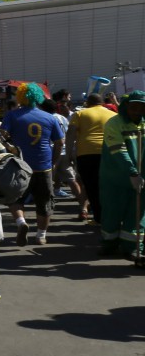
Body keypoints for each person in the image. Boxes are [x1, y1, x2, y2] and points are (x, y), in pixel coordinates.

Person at [0, 83, 64, 246]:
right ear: (39, 97)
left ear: (20, 97)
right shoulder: (50, 117)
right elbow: (59, 142)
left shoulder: (12, 116)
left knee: (15, 198)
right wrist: (54, 161)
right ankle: (41, 235)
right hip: (44, 166)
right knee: (45, 201)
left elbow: (2, 136)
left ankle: (21, 223)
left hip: (20, 166)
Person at [99, 91, 145, 258]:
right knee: (112, 212)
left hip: (141, 178)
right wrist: (132, 172)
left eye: (141, 107)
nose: (137, 111)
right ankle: (109, 244)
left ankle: (131, 247)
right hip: (115, 177)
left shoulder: (144, 124)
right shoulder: (114, 123)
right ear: (125, 106)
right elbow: (118, 150)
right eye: (134, 107)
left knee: (137, 214)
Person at [69, 93, 117, 226]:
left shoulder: (80, 114)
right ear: (102, 103)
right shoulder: (112, 115)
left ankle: (98, 218)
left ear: (88, 103)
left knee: (91, 186)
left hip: (86, 154)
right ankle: (112, 217)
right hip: (108, 153)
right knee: (108, 186)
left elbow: (70, 134)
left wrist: (69, 155)